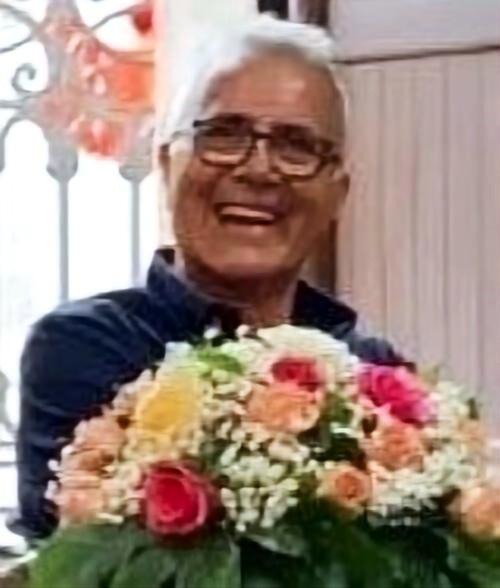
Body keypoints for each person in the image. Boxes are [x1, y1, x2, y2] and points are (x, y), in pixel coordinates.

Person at [13, 15, 404, 539]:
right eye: (224, 134)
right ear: (167, 164)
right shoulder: (87, 346)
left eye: (296, 146)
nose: (258, 170)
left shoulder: (379, 377)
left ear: (337, 194)